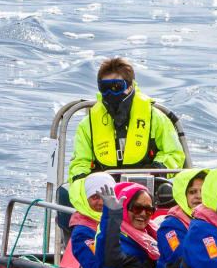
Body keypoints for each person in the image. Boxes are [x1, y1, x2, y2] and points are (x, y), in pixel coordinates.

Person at [63, 57, 186, 221]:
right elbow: (79, 163)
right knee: (65, 194)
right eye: (104, 88)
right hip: (105, 193)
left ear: (129, 87)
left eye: (116, 87)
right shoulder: (88, 125)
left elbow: (174, 154)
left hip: (148, 192)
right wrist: (87, 182)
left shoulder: (155, 117)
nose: (110, 93)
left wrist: (156, 168)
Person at [95, 181, 162, 268]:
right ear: (124, 209)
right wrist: (112, 214)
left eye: (149, 210)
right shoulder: (117, 238)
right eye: (137, 208)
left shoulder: (151, 232)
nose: (143, 214)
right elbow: (108, 257)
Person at [153, 168, 208, 268]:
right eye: (192, 192)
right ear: (183, 194)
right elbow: (181, 258)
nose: (199, 196)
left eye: (203, 191)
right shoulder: (169, 228)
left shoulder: (215, 220)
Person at [61, 171, 114, 268]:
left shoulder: (121, 219)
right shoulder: (82, 232)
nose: (101, 202)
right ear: (86, 198)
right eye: (95, 197)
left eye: (106, 196)